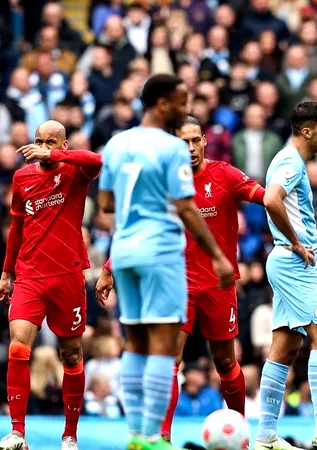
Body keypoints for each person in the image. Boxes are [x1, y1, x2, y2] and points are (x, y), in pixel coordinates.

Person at [96, 116, 265, 441]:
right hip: (176, 283)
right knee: (169, 359)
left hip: (218, 286)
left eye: (195, 140)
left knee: (226, 362)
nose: (190, 148)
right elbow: (139, 224)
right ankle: (162, 437)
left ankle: (239, 433)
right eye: (182, 142)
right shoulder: (164, 180)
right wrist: (108, 267)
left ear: (204, 141)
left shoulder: (225, 175)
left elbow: (266, 197)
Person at [254, 101, 317, 450]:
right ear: (307, 130)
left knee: (284, 349)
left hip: (285, 262)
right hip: (293, 262)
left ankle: (266, 435)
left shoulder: (291, 160)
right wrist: (297, 243)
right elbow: (271, 199)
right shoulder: (289, 161)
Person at [0, 120, 104, 450]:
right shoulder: (22, 178)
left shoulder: (75, 172)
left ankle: (69, 435)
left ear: (64, 145)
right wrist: (5, 273)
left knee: (71, 356)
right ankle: (17, 433)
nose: (42, 147)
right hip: (29, 276)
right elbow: (16, 228)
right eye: (38, 140)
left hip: (68, 277)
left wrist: (59, 155)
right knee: (18, 347)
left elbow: (97, 161)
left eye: (51, 142)